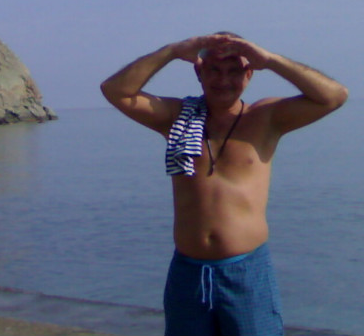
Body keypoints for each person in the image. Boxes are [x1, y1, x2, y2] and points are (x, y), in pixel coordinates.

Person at [100, 32, 348, 336]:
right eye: (214, 70)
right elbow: (116, 91)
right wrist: (173, 51)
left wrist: (270, 60)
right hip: (188, 274)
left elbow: (334, 96)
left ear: (249, 74)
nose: (223, 80)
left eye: (234, 71)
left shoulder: (266, 117)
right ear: (199, 72)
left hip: (247, 272)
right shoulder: (177, 117)